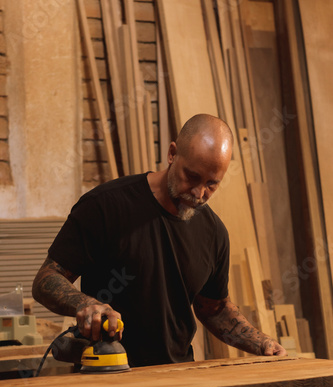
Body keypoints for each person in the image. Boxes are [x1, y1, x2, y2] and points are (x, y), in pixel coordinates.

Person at [32, 114, 287, 366]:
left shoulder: (214, 233)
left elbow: (214, 309)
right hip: (108, 372)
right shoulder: (105, 206)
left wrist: (261, 342)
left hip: (177, 375)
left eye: (212, 184)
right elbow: (46, 280)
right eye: (192, 177)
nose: (199, 194)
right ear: (172, 154)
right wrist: (85, 304)